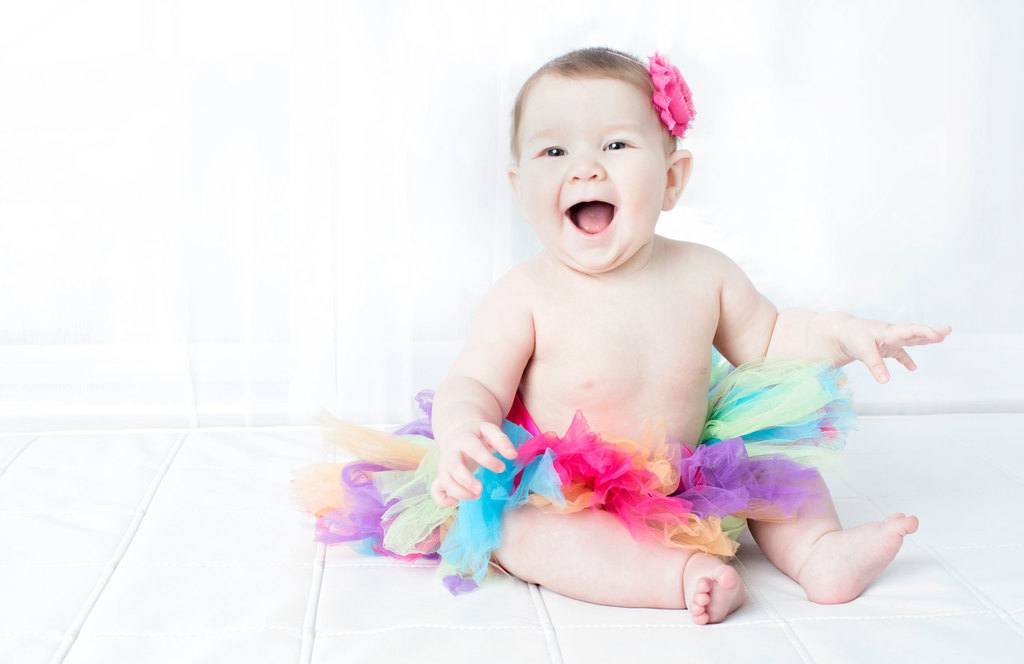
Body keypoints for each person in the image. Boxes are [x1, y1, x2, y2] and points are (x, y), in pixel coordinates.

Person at [291, 46, 950, 625]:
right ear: (522, 190)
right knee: (522, 534)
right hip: (562, 487)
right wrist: (462, 430)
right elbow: (474, 382)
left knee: (782, 476)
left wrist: (849, 334)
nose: (585, 168)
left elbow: (772, 337)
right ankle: (678, 576)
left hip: (689, 470)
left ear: (671, 178)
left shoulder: (703, 272)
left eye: (615, 145)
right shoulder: (525, 293)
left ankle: (818, 552)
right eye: (555, 151)